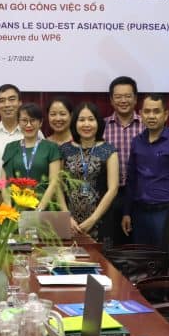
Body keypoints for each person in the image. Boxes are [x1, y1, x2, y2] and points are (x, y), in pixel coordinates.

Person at [122, 95, 169, 247]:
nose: (151, 116)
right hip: (139, 212)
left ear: (166, 114)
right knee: (141, 256)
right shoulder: (137, 142)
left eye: (156, 111)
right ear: (141, 114)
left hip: (165, 213)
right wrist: (126, 212)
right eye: (147, 111)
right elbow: (131, 179)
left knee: (164, 257)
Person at [59, 102, 118, 241]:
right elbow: (58, 187)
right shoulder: (64, 150)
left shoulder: (109, 150)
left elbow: (113, 189)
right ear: (75, 123)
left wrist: (93, 219)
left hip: (100, 221)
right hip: (70, 222)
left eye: (91, 119)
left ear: (98, 123)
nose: (86, 124)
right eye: (81, 120)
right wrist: (66, 216)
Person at [103, 76, 143, 245]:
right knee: (112, 243)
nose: (123, 100)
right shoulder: (102, 126)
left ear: (135, 99)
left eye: (127, 96)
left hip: (140, 194)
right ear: (111, 100)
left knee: (139, 243)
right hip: (110, 193)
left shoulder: (147, 125)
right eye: (118, 97)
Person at [2, 103, 62, 210]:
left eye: (33, 120)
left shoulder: (51, 147)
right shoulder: (10, 148)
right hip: (16, 208)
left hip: (45, 209)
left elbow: (54, 182)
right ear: (18, 122)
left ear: (40, 122)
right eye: (24, 120)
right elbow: (4, 182)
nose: (28, 125)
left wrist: (40, 209)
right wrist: (9, 209)